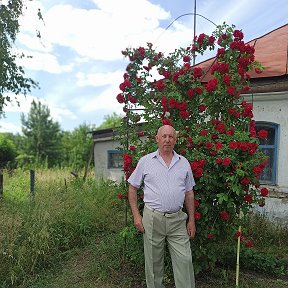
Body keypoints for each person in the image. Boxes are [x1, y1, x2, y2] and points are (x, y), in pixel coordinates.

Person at [127, 124, 196, 288]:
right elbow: (132, 187)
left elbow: (189, 193)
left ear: (175, 139)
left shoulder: (183, 163)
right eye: (164, 136)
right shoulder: (146, 161)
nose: (167, 140)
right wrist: (137, 215)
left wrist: (191, 220)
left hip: (178, 220)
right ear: (157, 139)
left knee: (185, 260)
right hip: (152, 219)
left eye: (171, 136)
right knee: (153, 264)